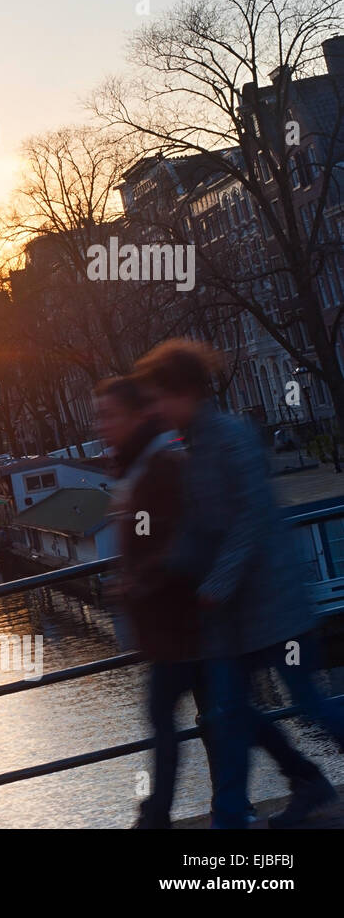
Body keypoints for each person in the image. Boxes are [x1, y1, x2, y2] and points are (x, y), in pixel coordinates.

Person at [135, 339, 344, 828]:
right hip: (232, 620)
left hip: (274, 608)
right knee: (227, 714)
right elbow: (198, 527)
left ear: (185, 393)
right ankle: (232, 816)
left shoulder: (230, 437)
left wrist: (217, 582)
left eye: (161, 397)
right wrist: (161, 570)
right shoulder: (192, 446)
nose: (158, 409)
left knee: (309, 706)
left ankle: (280, 797)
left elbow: (250, 518)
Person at [96, 376, 199, 827]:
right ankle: (302, 773)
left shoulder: (156, 465)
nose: (101, 426)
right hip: (168, 623)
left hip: (181, 620)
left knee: (169, 713)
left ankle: (157, 813)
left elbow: (174, 537)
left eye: (108, 415)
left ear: (136, 416)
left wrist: (137, 580)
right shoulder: (135, 463)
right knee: (224, 711)